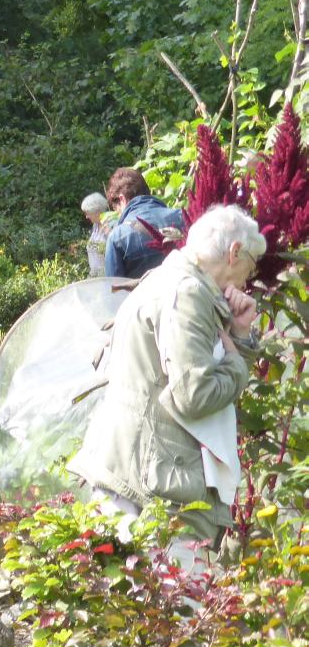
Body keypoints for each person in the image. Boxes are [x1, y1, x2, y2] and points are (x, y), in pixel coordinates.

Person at [69, 204, 263, 550]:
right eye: (251, 264)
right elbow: (195, 394)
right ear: (234, 252)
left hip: (134, 475)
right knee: (179, 601)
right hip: (153, 492)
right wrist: (238, 366)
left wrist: (240, 336)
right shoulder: (187, 293)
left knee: (138, 602)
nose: (248, 278)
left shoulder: (165, 279)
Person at [103, 168, 183, 279]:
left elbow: (113, 289)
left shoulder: (117, 237)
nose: (118, 214)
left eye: (116, 208)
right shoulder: (182, 217)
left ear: (122, 199)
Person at [80, 192, 111, 278]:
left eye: (87, 213)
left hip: (107, 276)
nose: (86, 216)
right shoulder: (95, 226)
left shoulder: (110, 224)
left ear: (96, 210)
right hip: (94, 275)